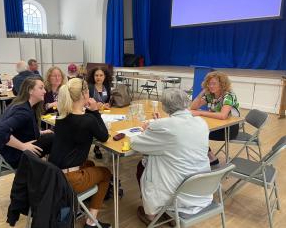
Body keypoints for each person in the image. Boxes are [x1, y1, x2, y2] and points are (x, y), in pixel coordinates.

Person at [131, 88, 212, 226]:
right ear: (186, 102)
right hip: (202, 188)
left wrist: (146, 130)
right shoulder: (201, 123)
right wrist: (158, 126)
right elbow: (179, 136)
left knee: (143, 165)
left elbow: (136, 144)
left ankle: (151, 215)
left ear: (165, 106)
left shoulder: (164, 126)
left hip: (177, 191)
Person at [48, 78, 111, 228]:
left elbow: (79, 126)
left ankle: (81, 205)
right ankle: (91, 221)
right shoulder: (87, 120)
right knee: (106, 174)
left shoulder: (61, 115)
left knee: (89, 163)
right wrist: (95, 110)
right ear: (84, 94)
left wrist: (90, 112)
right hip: (70, 179)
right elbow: (104, 136)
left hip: (54, 174)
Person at [0, 77, 54, 169]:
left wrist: (40, 132)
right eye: (41, 88)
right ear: (30, 90)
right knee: (54, 138)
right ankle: (52, 172)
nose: (45, 91)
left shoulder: (20, 104)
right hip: (12, 157)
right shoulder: (23, 112)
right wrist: (23, 146)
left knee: (51, 135)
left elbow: (19, 131)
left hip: (3, 153)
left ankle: (46, 171)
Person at [190, 71, 240, 165]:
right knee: (194, 130)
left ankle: (210, 157)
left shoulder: (228, 96)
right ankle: (209, 157)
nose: (211, 86)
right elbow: (193, 107)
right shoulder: (210, 95)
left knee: (195, 132)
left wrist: (200, 113)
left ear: (222, 84)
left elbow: (223, 115)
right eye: (209, 83)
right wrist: (202, 93)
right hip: (217, 126)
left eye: (214, 83)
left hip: (229, 129)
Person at [87, 66, 112, 159]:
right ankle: (95, 147)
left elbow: (108, 101)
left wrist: (106, 105)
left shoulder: (107, 87)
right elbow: (86, 102)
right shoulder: (90, 87)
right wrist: (95, 105)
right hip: (92, 114)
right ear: (93, 77)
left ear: (105, 76)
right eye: (96, 75)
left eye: (101, 75)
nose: (98, 77)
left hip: (105, 113)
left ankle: (100, 146)